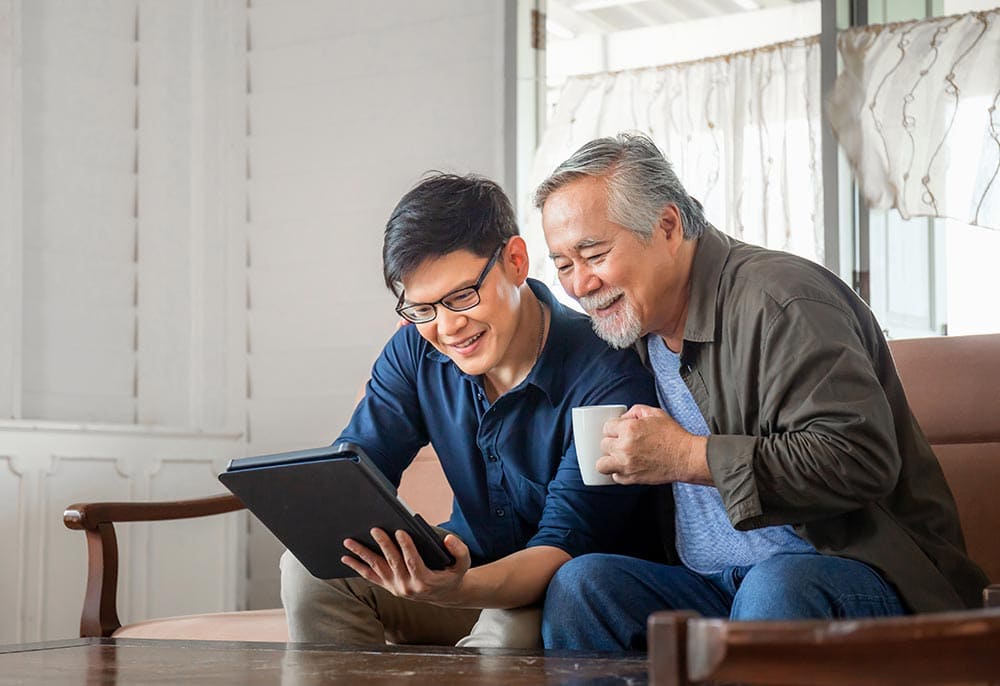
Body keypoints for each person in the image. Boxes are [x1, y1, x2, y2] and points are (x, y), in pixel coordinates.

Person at [533, 133, 989, 652]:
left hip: (862, 576)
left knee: (775, 588)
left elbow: (859, 458)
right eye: (563, 264)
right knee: (582, 588)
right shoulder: (634, 329)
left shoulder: (781, 301)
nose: (579, 285)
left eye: (593, 253)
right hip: (715, 587)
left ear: (666, 226)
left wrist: (685, 455)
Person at [280, 172, 659, 648]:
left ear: (516, 262)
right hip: (463, 567)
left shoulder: (608, 374)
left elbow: (563, 547)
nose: (447, 327)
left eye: (462, 296)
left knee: (504, 635)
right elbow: (357, 470)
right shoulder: (416, 352)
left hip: (557, 588)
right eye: (422, 309)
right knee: (310, 569)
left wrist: (455, 588)